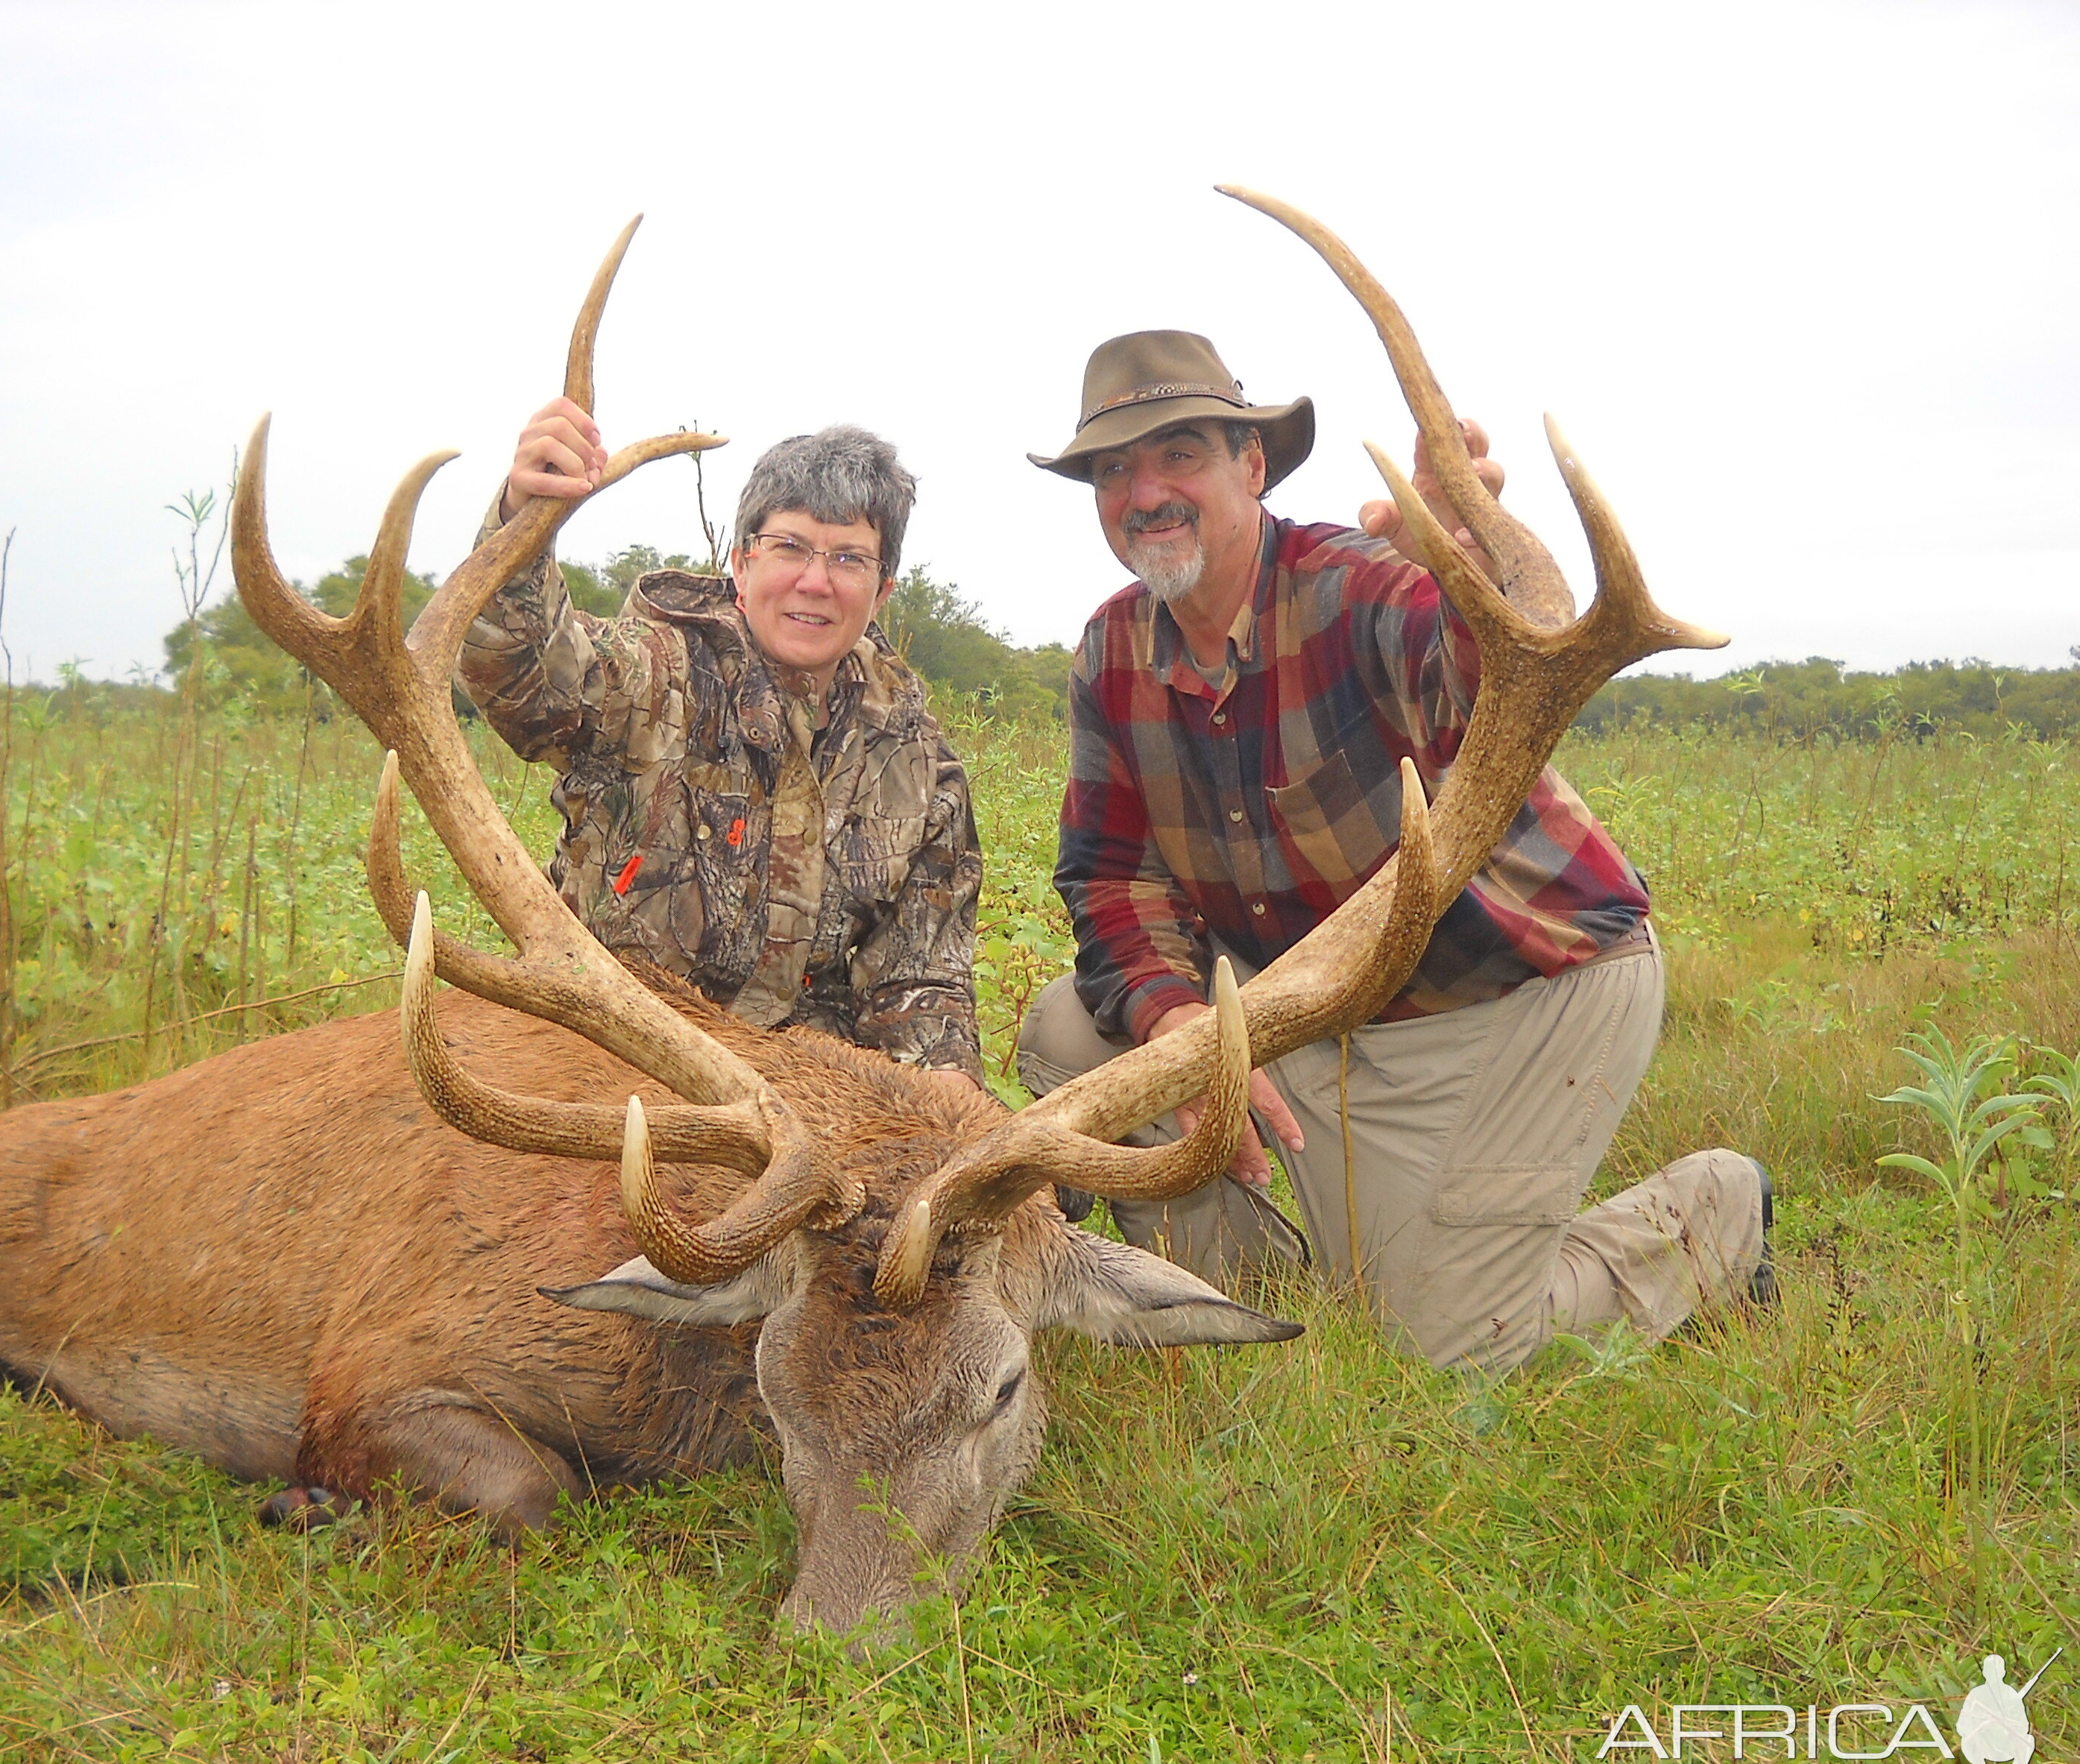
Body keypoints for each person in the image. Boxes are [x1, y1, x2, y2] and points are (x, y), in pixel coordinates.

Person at [1012, 330, 1771, 1372]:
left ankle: (1714, 1217)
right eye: (1113, 469)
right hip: (1328, 1012)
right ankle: (1265, 1282)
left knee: (1437, 1351)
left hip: (1518, 990)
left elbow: (1463, 681)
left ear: (1252, 465)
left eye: (1179, 454)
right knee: (1075, 1031)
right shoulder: (1113, 650)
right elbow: (1109, 877)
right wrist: (1179, 1028)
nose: (1145, 492)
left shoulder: (1359, 588)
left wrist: (1467, 574)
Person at [458, 399, 984, 1094]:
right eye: (788, 546)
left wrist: (944, 1081)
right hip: (606, 1049)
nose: (815, 581)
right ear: (740, 562)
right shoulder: (651, 676)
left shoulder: (918, 763)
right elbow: (521, 674)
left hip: (801, 1085)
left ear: (882, 588)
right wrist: (524, 514)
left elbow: (919, 973)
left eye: (849, 558)